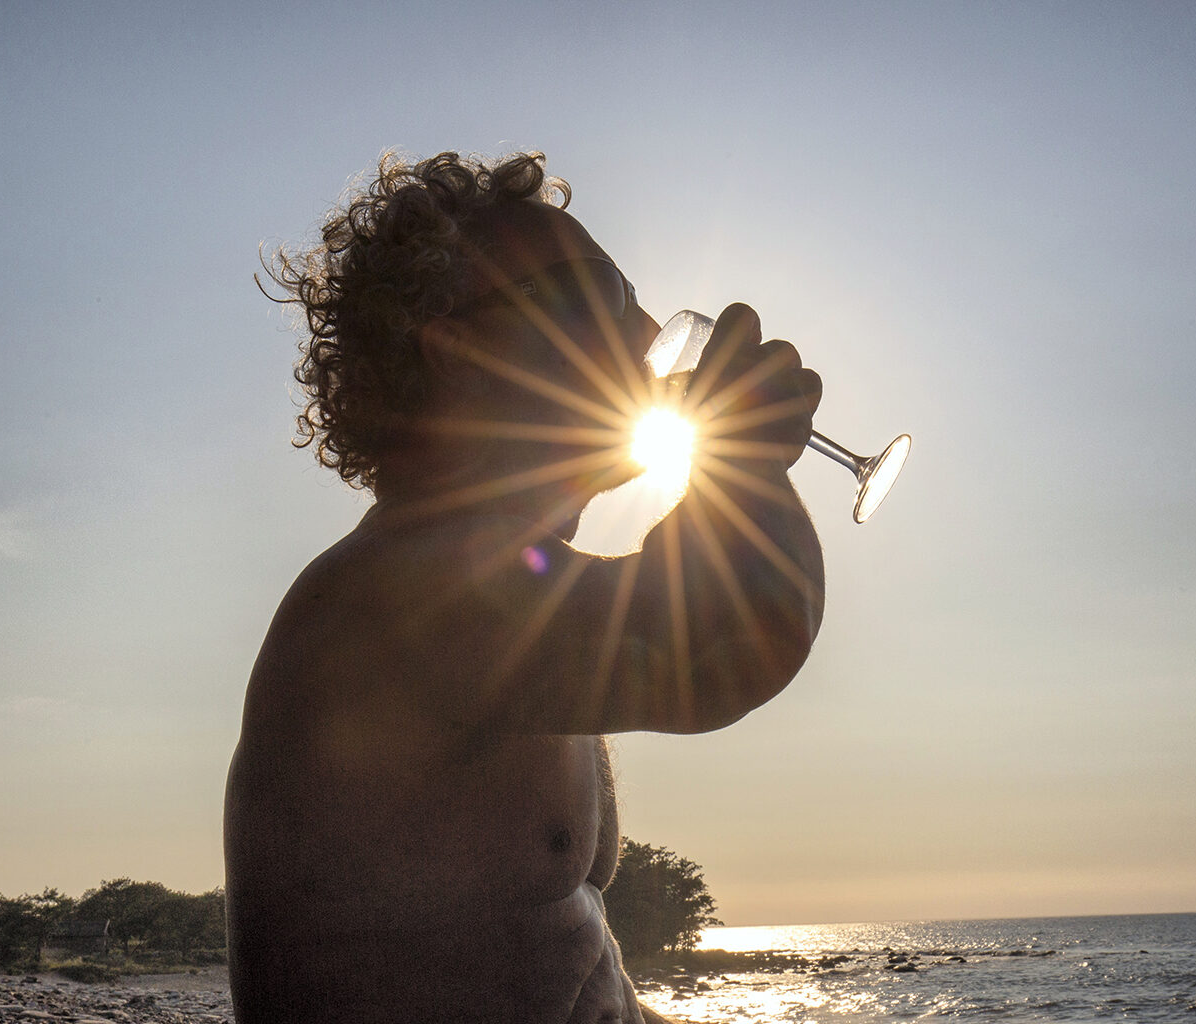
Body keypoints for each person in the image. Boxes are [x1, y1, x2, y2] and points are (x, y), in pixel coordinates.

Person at [226, 151, 825, 1023]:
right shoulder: (397, 595)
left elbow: (567, 961)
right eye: (600, 296)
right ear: (464, 352)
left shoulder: (504, 591)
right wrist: (744, 462)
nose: (649, 327)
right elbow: (727, 644)